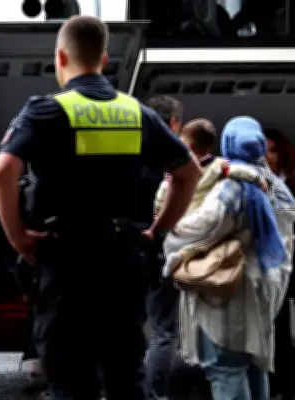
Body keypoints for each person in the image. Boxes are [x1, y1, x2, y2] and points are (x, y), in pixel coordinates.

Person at [0, 16, 201, 399]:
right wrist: (156, 231)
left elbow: (2, 173)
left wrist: (18, 236)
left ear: (60, 56)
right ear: (104, 60)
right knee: (125, 378)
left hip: (66, 264)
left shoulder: (45, 111)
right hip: (123, 263)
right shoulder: (137, 112)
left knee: (72, 381)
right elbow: (189, 173)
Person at [164, 116, 295, 400]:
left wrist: (170, 228)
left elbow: (202, 228)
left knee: (225, 369)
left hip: (228, 293)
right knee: (254, 368)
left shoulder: (233, 187)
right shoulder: (281, 189)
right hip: (266, 289)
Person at [142, 95, 185, 400]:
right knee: (163, 331)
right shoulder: (175, 159)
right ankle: (154, 395)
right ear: (174, 123)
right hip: (160, 250)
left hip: (125, 248)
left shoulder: (127, 153)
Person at [265, 128, 295, 400]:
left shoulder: (290, 184)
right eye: (264, 150)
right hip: (273, 265)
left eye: (273, 150)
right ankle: (279, 382)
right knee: (276, 324)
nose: (268, 156)